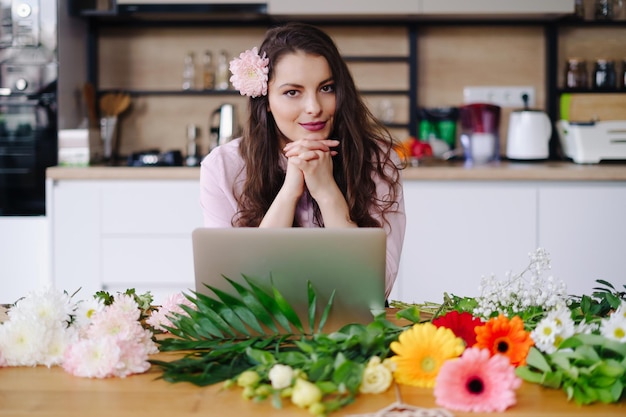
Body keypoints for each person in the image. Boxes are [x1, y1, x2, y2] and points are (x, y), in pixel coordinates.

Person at [200, 22, 406, 298]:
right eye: (292, 92)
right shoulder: (223, 168)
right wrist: (290, 190)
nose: (314, 108)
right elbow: (239, 296)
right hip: (258, 336)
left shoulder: (378, 160)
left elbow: (375, 291)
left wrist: (326, 191)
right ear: (266, 100)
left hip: (351, 333)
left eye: (327, 88)